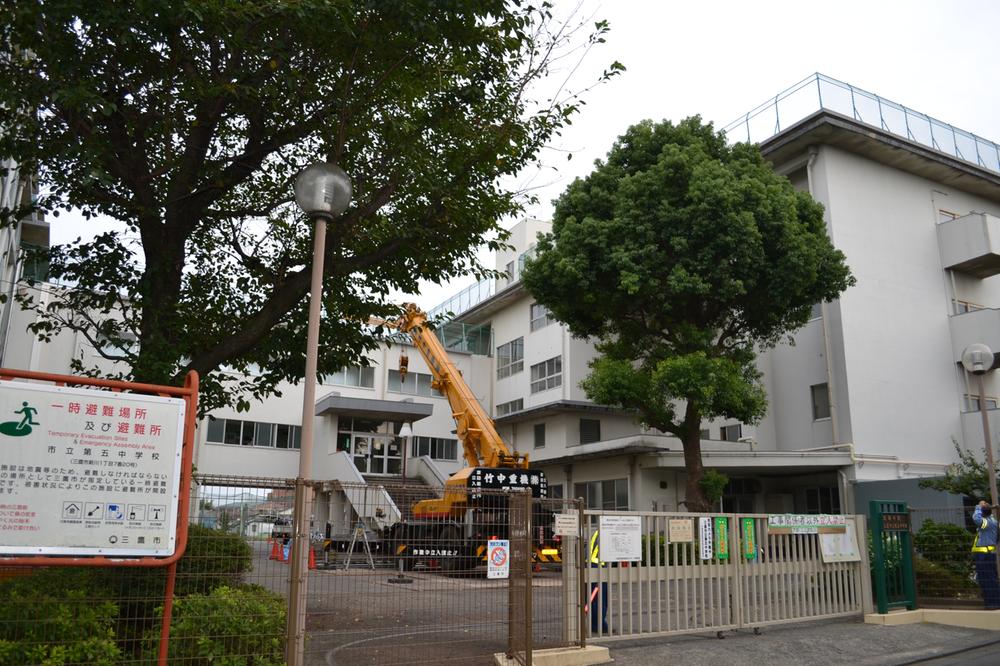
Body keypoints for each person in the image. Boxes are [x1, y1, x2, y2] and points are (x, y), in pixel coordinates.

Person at [971, 500, 1000, 610]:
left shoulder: (987, 523)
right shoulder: (992, 521)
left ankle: (994, 603)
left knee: (988, 579)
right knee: (986, 579)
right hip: (986, 554)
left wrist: (978, 506)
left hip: (985, 555)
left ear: (983, 513)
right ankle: (991, 603)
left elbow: (976, 519)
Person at [588, 529, 609, 633]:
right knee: (600, 599)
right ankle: (600, 625)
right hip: (598, 567)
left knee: (594, 598)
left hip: (591, 566)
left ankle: (595, 624)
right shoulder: (607, 531)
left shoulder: (597, 531)